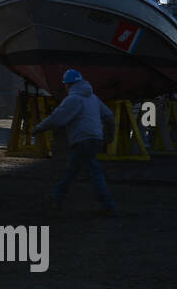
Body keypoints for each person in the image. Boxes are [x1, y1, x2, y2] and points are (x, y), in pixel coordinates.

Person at [33, 69, 118, 215]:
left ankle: (107, 204)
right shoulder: (93, 98)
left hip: (82, 140)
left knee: (92, 171)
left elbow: (56, 119)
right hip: (95, 139)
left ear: (68, 85)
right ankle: (57, 197)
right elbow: (109, 116)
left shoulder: (73, 100)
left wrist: (38, 128)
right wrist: (109, 136)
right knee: (73, 170)